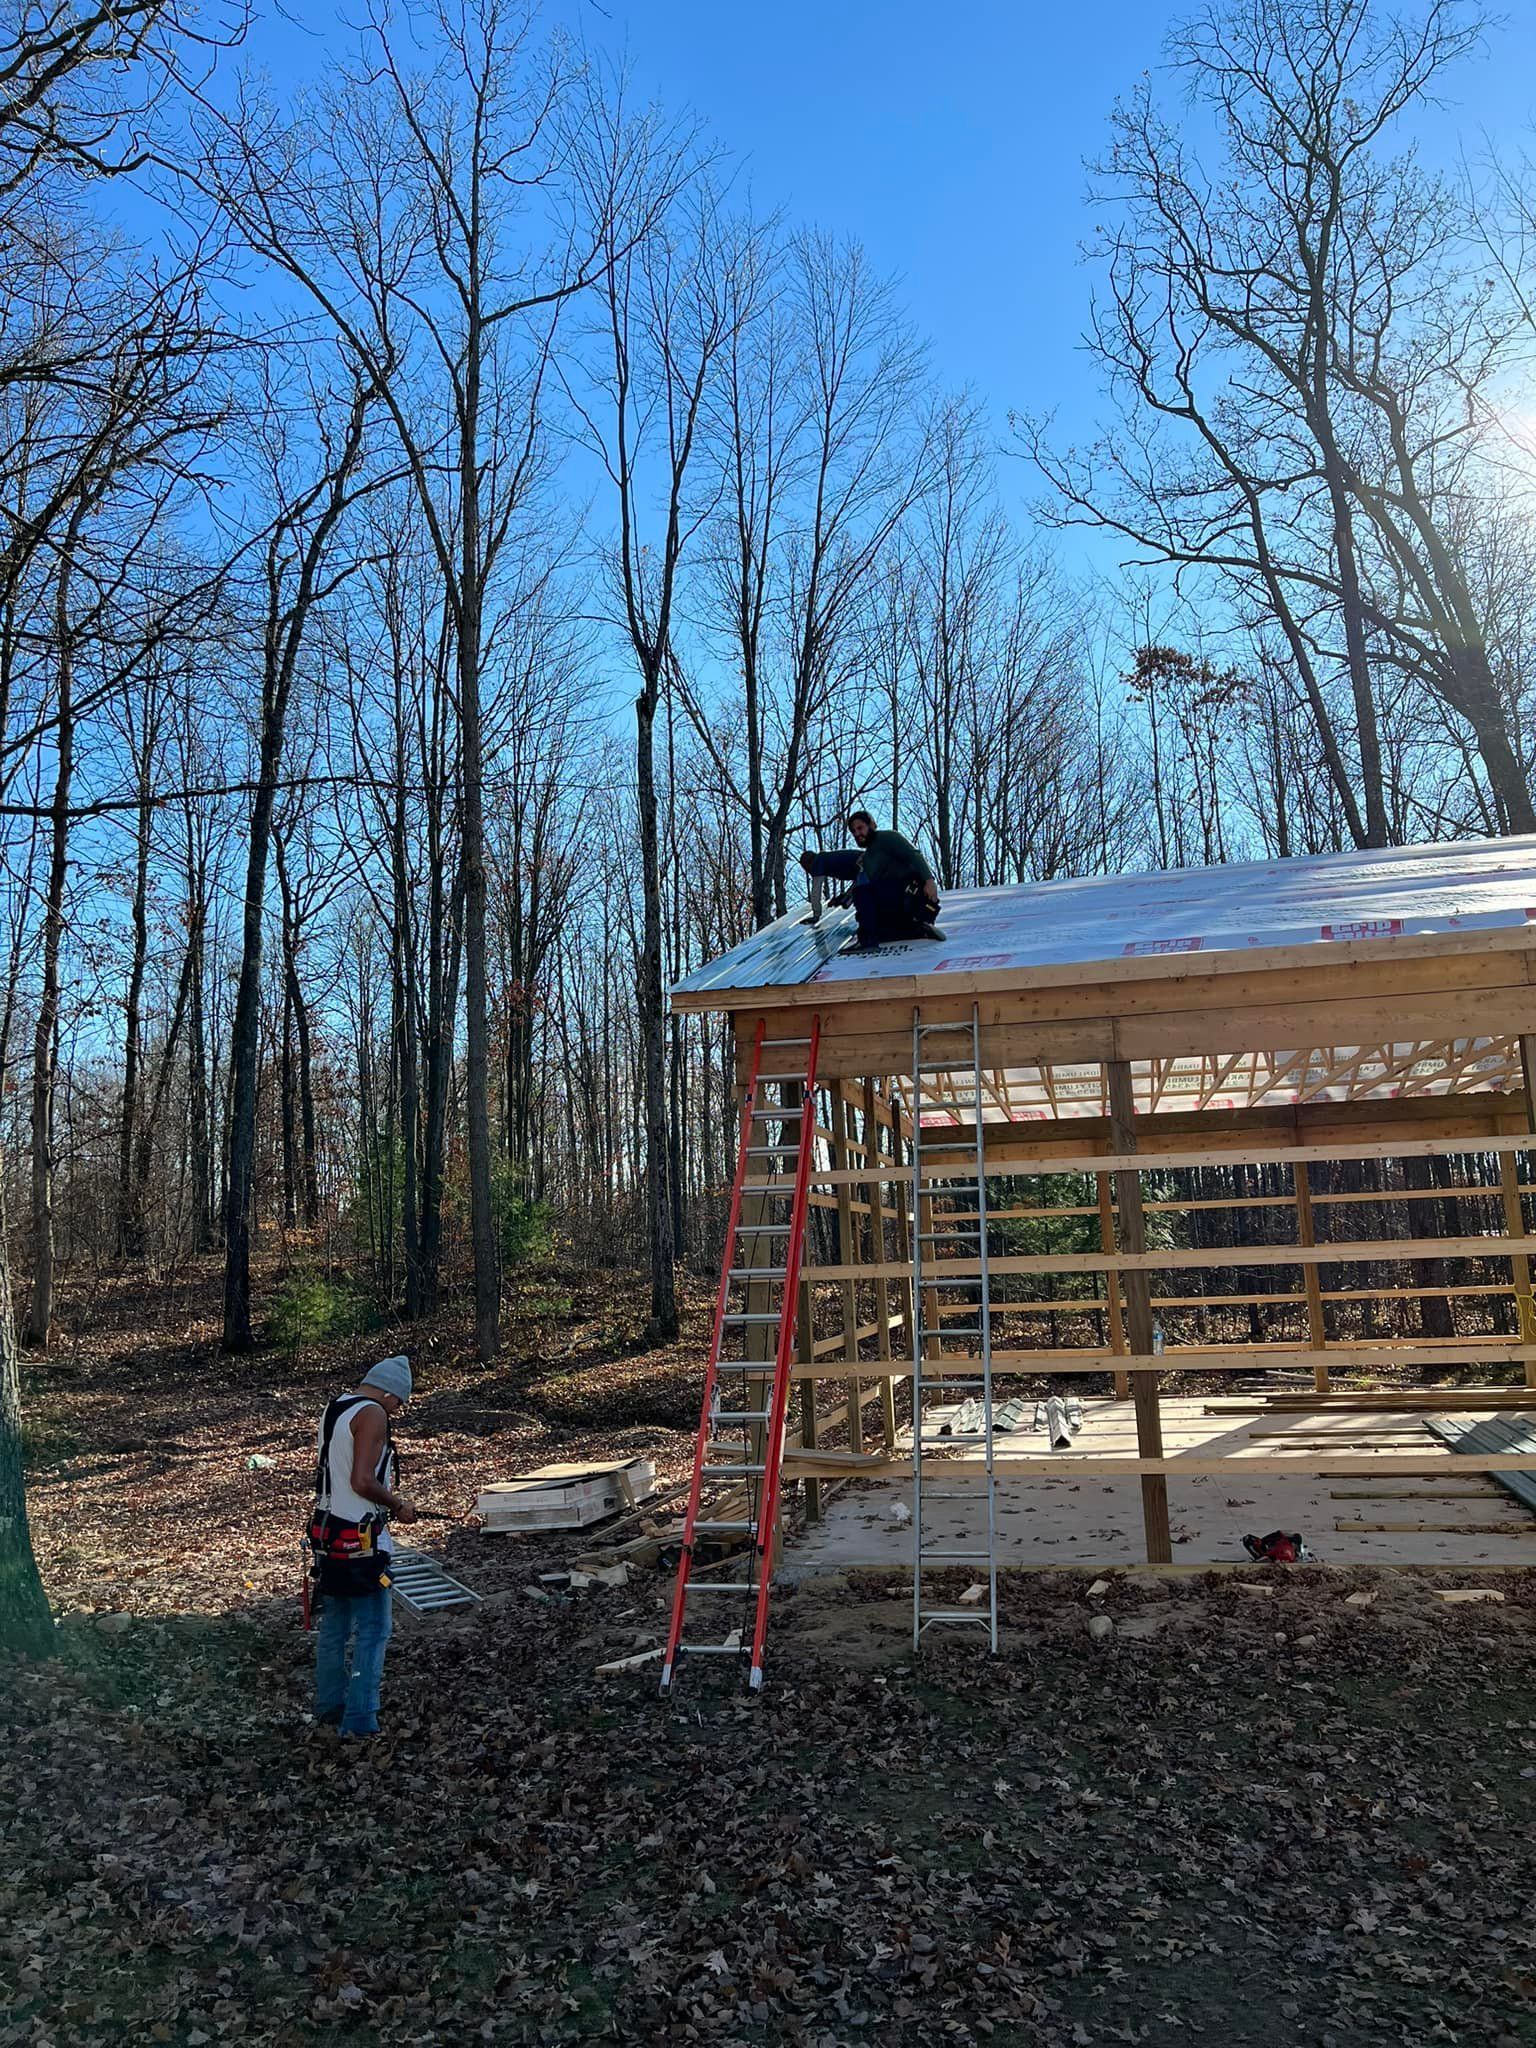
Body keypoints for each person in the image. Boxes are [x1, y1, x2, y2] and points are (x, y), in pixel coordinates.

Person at [309, 1354, 418, 1739]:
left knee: (335, 1627)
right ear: (389, 1392)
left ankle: (329, 1707)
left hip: (327, 1530)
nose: (398, 1410)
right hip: (361, 1537)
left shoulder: (335, 1407)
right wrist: (398, 1505)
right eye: (400, 1402)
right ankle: (359, 1720)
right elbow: (362, 1480)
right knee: (374, 1629)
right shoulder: (373, 1413)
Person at [800, 809, 944, 949]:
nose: (857, 834)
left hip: (912, 894)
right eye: (854, 832)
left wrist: (929, 881)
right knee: (879, 928)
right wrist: (843, 899)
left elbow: (914, 855)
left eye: (860, 828)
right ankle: (917, 929)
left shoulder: (887, 837)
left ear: (872, 825)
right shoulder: (868, 857)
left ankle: (867, 941)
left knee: (862, 895)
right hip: (898, 901)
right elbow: (861, 880)